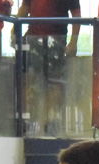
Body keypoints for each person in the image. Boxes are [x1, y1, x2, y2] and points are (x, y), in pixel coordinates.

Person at [18, 0, 81, 136]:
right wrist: (14, 29)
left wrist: (74, 41)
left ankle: (50, 122)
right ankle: (25, 121)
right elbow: (25, 6)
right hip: (33, 40)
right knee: (28, 81)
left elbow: (76, 13)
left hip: (56, 41)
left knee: (54, 83)